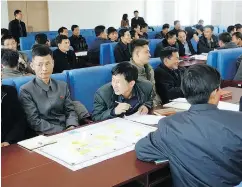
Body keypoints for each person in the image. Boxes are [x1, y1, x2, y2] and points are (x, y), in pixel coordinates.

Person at [136, 64, 242, 187]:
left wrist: (173, 150)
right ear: (214, 92)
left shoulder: (169, 125)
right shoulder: (238, 121)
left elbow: (141, 150)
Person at [19, 45, 79, 135]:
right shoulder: (26, 90)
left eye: (47, 64)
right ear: (32, 66)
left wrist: (71, 126)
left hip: (68, 130)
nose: (44, 69)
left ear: (53, 63)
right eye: (39, 64)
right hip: (44, 134)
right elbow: (34, 121)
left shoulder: (62, 85)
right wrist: (62, 131)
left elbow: (70, 110)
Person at [129, 39, 162, 105]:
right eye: (146, 52)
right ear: (137, 53)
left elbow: (154, 93)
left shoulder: (149, 68)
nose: (150, 55)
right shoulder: (128, 73)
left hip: (154, 105)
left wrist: (156, 103)